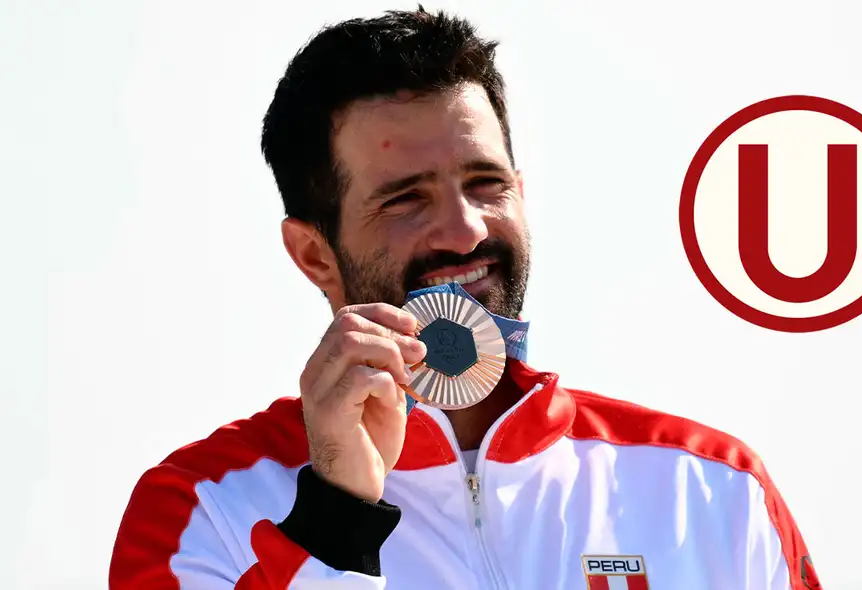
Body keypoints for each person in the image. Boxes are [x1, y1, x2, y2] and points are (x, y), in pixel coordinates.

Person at [109, 7, 823, 590]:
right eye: (404, 200)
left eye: (487, 183)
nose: (464, 229)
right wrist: (339, 523)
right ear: (314, 254)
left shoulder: (712, 492)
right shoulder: (200, 510)